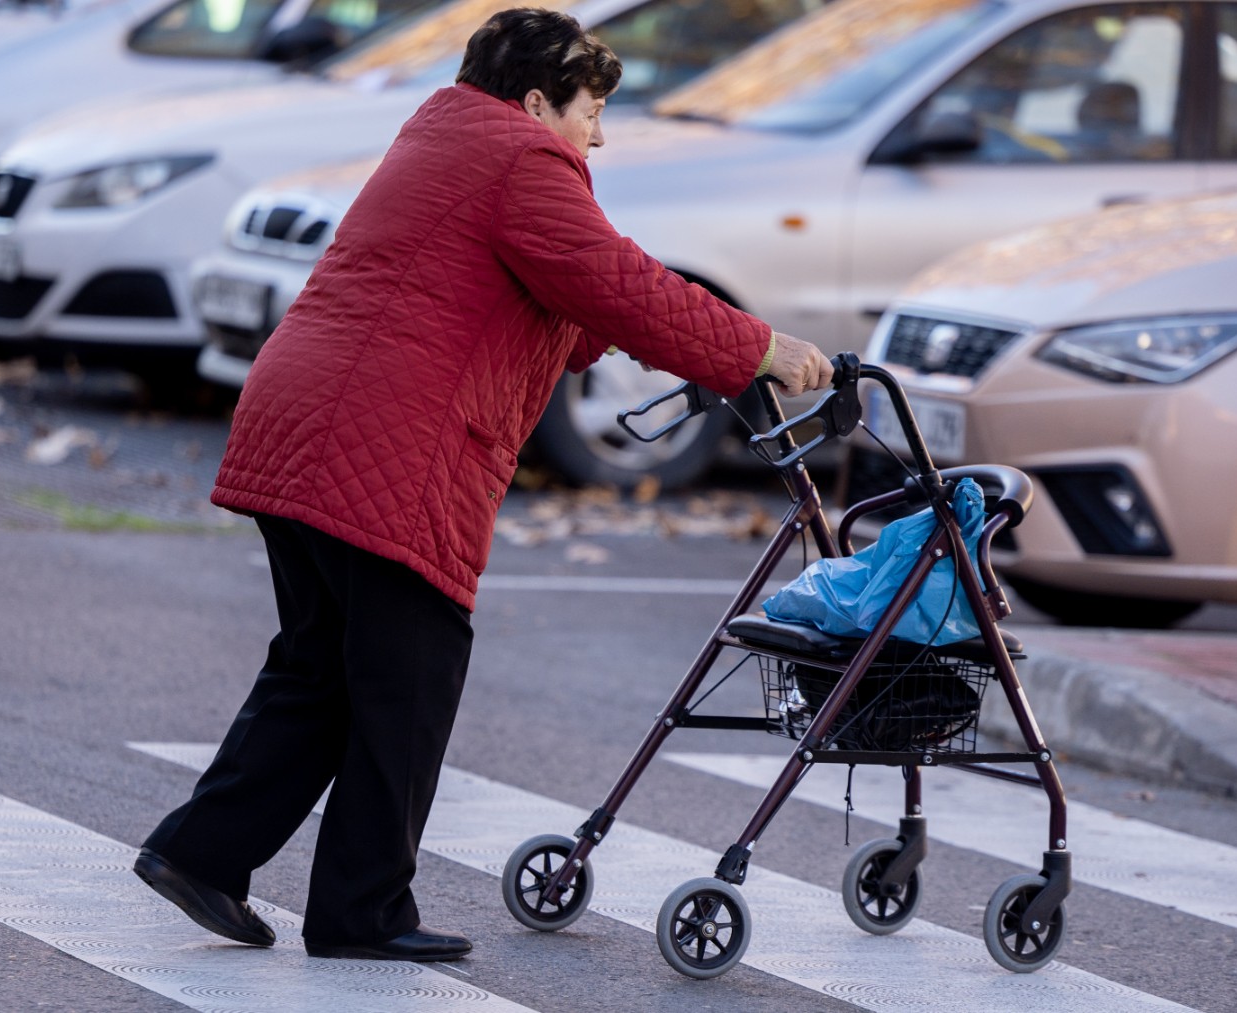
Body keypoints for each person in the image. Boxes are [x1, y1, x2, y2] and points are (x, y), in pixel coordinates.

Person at [132, 7, 834, 963]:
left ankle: (201, 854)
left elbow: (574, 300)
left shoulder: (445, 136)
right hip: (388, 439)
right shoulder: (520, 159)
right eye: (592, 111)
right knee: (408, 680)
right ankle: (361, 911)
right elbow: (615, 284)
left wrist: (661, 328)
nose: (600, 134)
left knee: (322, 667)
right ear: (538, 98)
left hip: (301, 416)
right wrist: (758, 347)